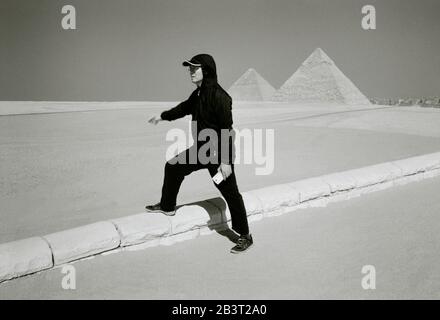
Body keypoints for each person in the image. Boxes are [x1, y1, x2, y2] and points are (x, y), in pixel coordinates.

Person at [146, 53, 253, 253]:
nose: (190, 72)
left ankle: (245, 236)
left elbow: (226, 131)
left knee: (230, 193)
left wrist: (226, 161)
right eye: (190, 68)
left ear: (206, 70)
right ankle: (167, 207)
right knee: (173, 167)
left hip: (216, 155)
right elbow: (183, 108)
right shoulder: (197, 94)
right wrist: (162, 116)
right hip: (200, 150)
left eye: (194, 68)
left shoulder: (221, 97)